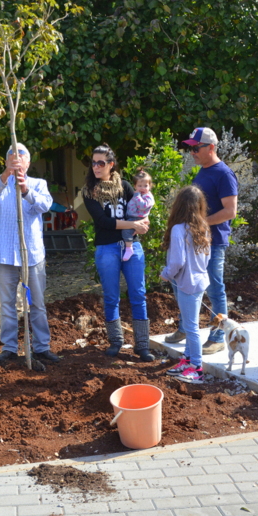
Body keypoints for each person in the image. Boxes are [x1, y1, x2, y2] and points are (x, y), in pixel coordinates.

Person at [0, 143, 59, 364]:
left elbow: (46, 205)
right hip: (4, 255)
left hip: (32, 256)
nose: (16, 161)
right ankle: (8, 347)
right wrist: (6, 175)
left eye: (21, 157)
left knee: (37, 303)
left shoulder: (38, 184)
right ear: (6, 161)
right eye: (12, 158)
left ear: (28, 162)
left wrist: (26, 191)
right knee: (7, 304)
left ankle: (41, 347)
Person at [166, 127, 238, 355]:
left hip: (213, 242)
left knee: (215, 289)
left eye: (196, 148)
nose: (192, 153)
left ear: (211, 147)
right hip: (195, 241)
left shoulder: (224, 174)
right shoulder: (203, 172)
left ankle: (218, 336)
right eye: (190, 148)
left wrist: (201, 224)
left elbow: (230, 211)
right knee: (181, 282)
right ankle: (186, 327)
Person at [82, 144, 153, 361]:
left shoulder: (124, 186)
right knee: (111, 296)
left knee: (138, 295)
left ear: (111, 164)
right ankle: (116, 342)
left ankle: (142, 346)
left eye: (101, 163)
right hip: (107, 248)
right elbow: (103, 222)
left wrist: (144, 222)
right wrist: (133, 225)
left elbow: (141, 209)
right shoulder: (89, 191)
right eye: (93, 162)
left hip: (133, 247)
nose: (96, 167)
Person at [159, 186, 211, 382]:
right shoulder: (203, 227)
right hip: (199, 281)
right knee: (191, 324)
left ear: (179, 205)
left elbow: (177, 261)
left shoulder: (178, 229)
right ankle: (187, 359)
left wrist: (166, 274)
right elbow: (207, 259)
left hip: (186, 284)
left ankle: (196, 368)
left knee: (191, 326)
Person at [121, 170, 156, 261]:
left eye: (145, 186)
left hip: (138, 218)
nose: (142, 188)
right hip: (132, 216)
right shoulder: (139, 194)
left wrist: (137, 196)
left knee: (126, 230)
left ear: (150, 186)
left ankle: (129, 249)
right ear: (135, 186)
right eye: (139, 186)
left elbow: (142, 206)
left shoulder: (148, 196)